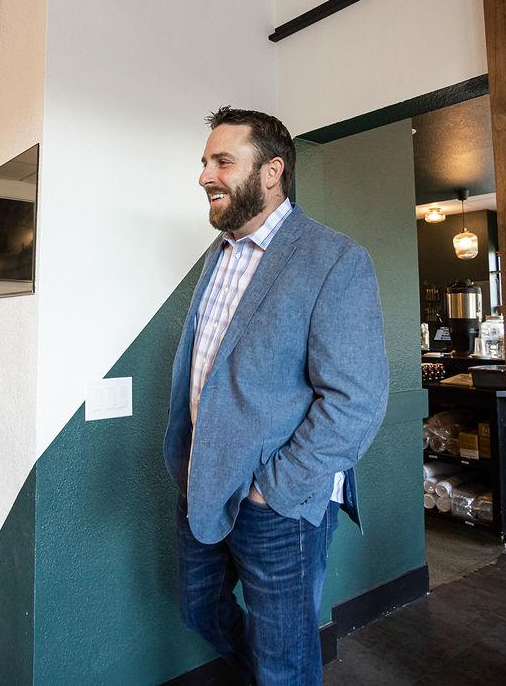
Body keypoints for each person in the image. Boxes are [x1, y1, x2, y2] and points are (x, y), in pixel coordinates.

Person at [163, 106, 390, 684]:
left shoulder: (335, 259)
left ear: (272, 171)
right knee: (198, 610)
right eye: (204, 162)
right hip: (203, 481)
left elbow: (355, 402)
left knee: (284, 659)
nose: (205, 176)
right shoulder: (220, 258)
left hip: (277, 507)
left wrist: (274, 489)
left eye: (222, 161)